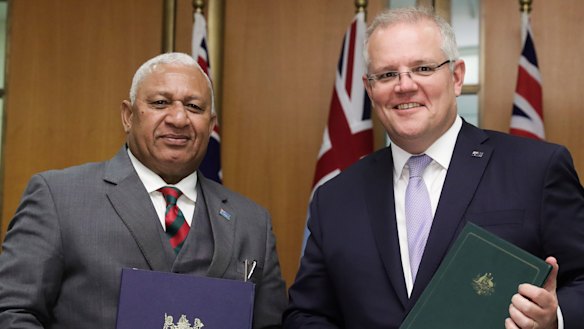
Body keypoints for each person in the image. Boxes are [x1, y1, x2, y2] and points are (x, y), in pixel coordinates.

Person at [283, 7, 584, 329]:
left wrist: (555, 318)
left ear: (456, 77)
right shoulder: (335, 197)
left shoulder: (535, 168)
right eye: (386, 74)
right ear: (370, 89)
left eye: (422, 68)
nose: (404, 86)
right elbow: (306, 313)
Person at [0, 52, 287, 328]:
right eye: (161, 102)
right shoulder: (58, 197)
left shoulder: (253, 222)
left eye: (194, 107)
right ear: (128, 115)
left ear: (210, 125)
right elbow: (12, 311)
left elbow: (269, 325)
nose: (178, 119)